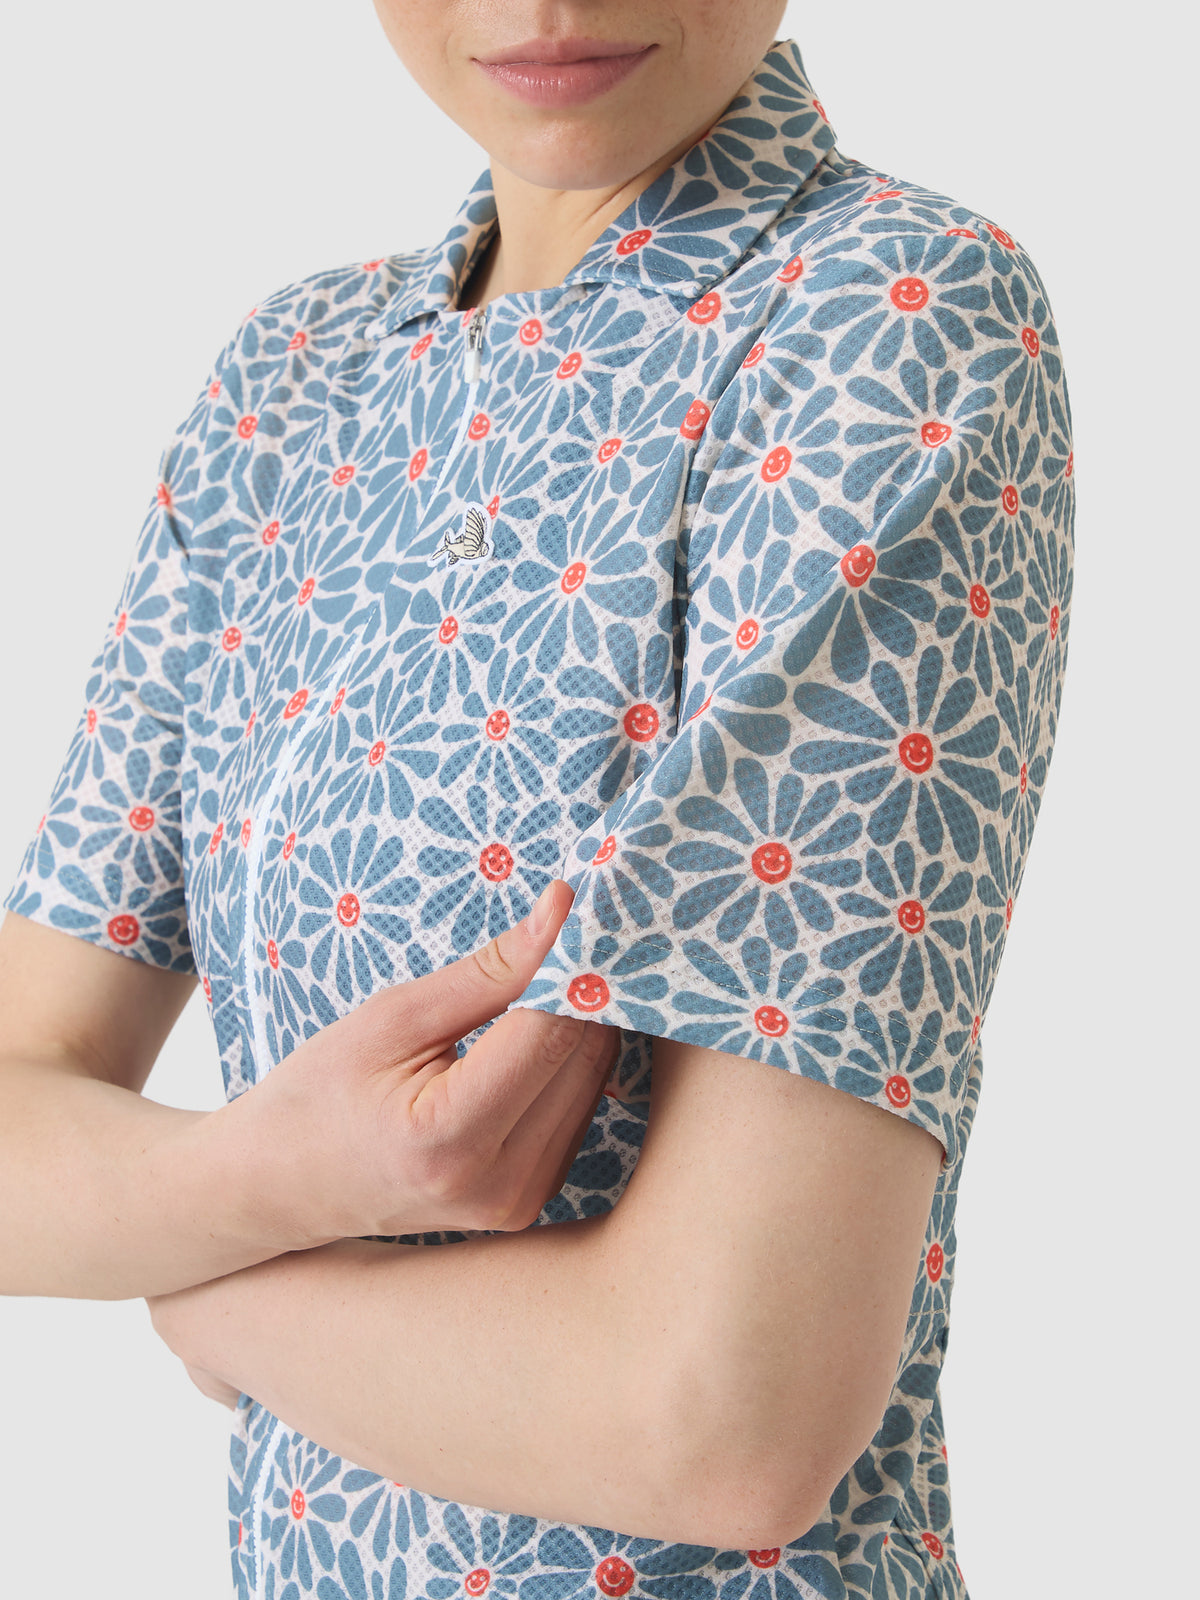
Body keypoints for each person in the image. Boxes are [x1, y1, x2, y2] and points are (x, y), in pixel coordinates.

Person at [0, 4, 1074, 1597]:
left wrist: (200, 1287)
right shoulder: (291, 384)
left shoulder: (884, 315)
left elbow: (720, 1418)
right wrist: (282, 1182)